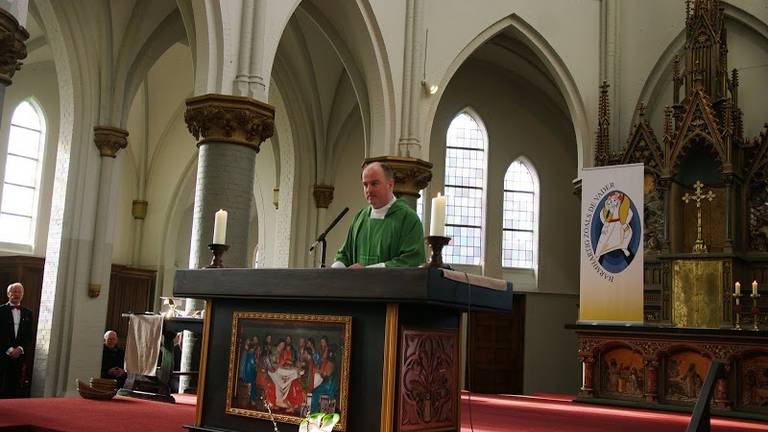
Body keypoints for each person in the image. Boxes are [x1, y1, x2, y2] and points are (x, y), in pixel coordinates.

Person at [332, 161, 426, 268]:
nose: (369, 190)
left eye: (374, 184)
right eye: (365, 184)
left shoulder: (408, 218)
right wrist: (336, 269)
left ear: (390, 185)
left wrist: (367, 272)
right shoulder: (360, 217)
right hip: (356, 285)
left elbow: (411, 261)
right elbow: (344, 254)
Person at [0, 282, 34, 398]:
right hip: (3, 354)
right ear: (8, 294)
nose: (17, 294)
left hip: (19, 355)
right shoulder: (1, 311)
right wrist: (9, 349)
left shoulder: (28, 313)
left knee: (14, 385)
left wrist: (20, 349)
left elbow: (29, 335)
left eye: (20, 292)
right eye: (14, 291)